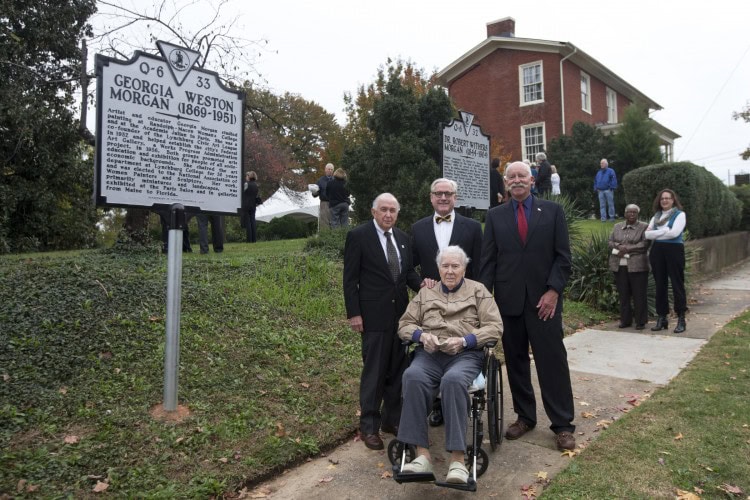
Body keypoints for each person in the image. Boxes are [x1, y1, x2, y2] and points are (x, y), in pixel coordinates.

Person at [479, 161, 576, 451]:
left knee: (552, 362)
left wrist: (553, 291)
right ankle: (525, 417)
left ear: (532, 180)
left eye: (522, 176)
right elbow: (489, 262)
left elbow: (563, 258)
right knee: (516, 362)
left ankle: (562, 425)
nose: (517, 180)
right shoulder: (494, 217)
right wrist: (484, 302)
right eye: (512, 177)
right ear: (506, 182)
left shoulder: (553, 212)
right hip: (508, 303)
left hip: (543, 302)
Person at [396, 246, 502, 484]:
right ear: (438, 269)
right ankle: (421, 455)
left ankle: (457, 460)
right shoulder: (425, 294)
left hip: (465, 354)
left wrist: (466, 340)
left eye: (456, 266)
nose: (450, 271)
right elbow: (405, 324)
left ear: (464, 268)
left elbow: (495, 327)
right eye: (445, 266)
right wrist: (421, 337)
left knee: (453, 381)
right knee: (412, 376)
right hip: (430, 354)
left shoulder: (479, 291)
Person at [343, 193, 421, 450]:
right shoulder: (359, 236)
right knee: (374, 374)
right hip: (372, 318)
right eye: (384, 210)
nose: (388, 214)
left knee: (398, 372)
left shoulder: (402, 238)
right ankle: (369, 427)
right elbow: (350, 279)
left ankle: (391, 420)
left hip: (401, 318)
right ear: (373, 212)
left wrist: (427, 289)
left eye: (393, 211)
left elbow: (407, 273)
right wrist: (354, 313)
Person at [410, 177, 483, 426]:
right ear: (431, 197)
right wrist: (420, 283)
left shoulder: (473, 227)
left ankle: (457, 400)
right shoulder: (418, 228)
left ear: (455, 197)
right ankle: (436, 405)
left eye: (448, 193)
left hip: (465, 304)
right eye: (438, 193)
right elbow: (409, 266)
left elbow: (481, 267)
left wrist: (478, 295)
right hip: (432, 302)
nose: (443, 197)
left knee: (457, 348)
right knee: (432, 348)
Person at [645, 189, 687, 334]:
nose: (664, 201)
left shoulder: (680, 215)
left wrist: (657, 233)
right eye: (662, 198)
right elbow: (647, 234)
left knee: (677, 284)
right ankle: (662, 318)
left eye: (668, 198)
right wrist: (665, 231)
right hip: (657, 251)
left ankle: (681, 318)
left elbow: (675, 233)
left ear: (673, 200)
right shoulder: (656, 216)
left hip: (674, 250)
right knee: (660, 285)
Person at [608, 204, 650, 330]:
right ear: (625, 213)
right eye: (629, 212)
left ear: (638, 214)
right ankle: (625, 320)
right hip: (619, 266)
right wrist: (618, 246)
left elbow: (644, 244)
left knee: (639, 294)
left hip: (638, 266)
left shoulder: (644, 227)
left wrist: (627, 249)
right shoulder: (617, 226)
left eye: (634, 212)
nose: (631, 214)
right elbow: (610, 242)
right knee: (624, 295)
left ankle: (640, 321)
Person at [312, 163, 334, 230]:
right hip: (324, 203)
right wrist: (314, 192)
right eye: (328, 169)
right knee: (324, 222)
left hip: (334, 203)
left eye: (331, 169)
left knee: (334, 221)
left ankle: (334, 237)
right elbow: (315, 194)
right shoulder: (320, 180)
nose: (330, 170)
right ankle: (325, 237)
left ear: (333, 171)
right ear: (325, 170)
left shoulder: (335, 180)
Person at [242, 171, 260, 243]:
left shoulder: (246, 184)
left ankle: (249, 240)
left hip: (246, 205)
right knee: (253, 221)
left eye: (247, 176)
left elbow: (242, 192)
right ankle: (254, 239)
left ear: (249, 177)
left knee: (248, 222)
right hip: (253, 205)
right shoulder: (256, 185)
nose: (246, 177)